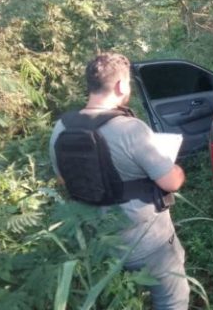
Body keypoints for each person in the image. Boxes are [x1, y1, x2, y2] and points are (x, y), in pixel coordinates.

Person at [49, 52, 190, 310]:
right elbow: (171, 183)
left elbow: (62, 178)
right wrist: (176, 169)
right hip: (148, 241)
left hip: (98, 242)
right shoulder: (130, 129)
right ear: (120, 86)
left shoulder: (61, 128)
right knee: (172, 299)